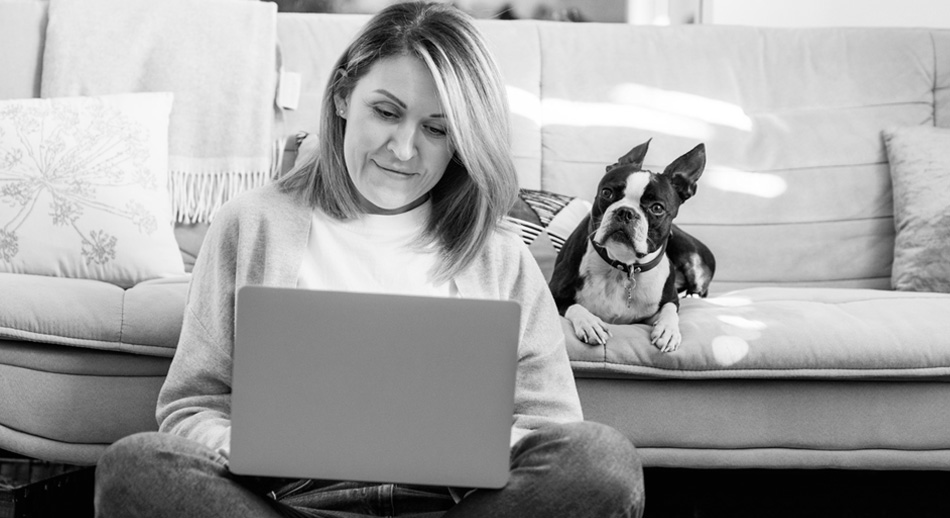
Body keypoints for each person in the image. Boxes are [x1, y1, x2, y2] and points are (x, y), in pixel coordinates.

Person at [94, 2, 644, 517]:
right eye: (386, 112)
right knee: (134, 468)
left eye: (436, 129)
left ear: (462, 142)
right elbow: (192, 404)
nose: (404, 149)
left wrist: (474, 447)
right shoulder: (251, 224)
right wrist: (253, 448)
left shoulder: (498, 255)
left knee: (604, 461)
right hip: (287, 503)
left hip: (450, 506)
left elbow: (551, 423)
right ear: (342, 97)